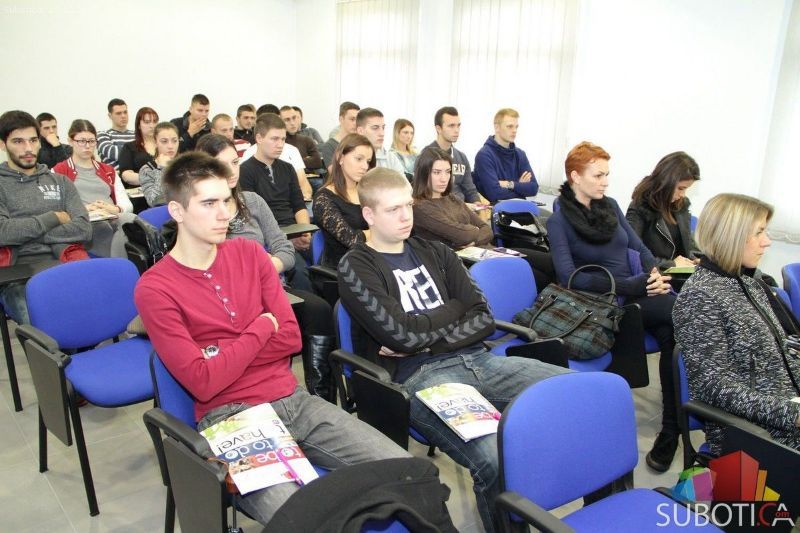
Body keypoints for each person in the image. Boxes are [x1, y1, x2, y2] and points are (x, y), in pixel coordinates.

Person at [134, 151, 409, 527]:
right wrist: (262, 326)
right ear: (177, 211)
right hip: (230, 419)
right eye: (209, 203)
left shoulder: (250, 253)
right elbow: (202, 381)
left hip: (292, 398)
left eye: (227, 200)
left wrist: (220, 352)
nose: (224, 214)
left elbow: (292, 339)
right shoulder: (155, 287)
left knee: (406, 473)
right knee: (303, 520)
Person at [337, 167, 568, 533]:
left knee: (574, 394)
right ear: (369, 214)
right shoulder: (356, 266)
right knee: (494, 458)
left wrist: (427, 333)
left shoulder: (438, 252)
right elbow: (402, 337)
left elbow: (484, 318)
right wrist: (454, 310)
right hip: (422, 378)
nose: (405, 216)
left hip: (479, 360)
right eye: (393, 209)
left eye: (408, 206)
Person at [547, 141, 679, 472]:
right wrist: (631, 285)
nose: (606, 182)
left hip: (635, 292)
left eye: (607, 174)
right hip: (604, 301)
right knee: (678, 314)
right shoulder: (560, 221)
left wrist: (653, 274)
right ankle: (674, 430)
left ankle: (671, 430)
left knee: (672, 332)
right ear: (575, 177)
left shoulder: (612, 206)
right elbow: (569, 277)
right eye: (598, 175)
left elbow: (639, 247)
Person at [195, 134, 338, 401]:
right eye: (222, 165)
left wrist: (264, 267)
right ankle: (261, 392)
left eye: (235, 162)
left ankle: (320, 396)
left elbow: (285, 249)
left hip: (273, 288)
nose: (231, 171)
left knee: (320, 311)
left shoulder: (253, 201)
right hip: (230, 299)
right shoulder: (202, 214)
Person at [674, 194, 800, 453]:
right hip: (753, 433)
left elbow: (781, 353)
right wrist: (792, 414)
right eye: (759, 232)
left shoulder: (749, 283)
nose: (767, 241)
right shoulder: (700, 296)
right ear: (731, 236)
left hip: (783, 409)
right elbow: (713, 388)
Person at [412, 147, 554, 291]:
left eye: (448, 172)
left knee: (551, 263)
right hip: (467, 264)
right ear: (424, 173)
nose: (444, 178)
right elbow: (464, 235)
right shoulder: (421, 207)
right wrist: (472, 232)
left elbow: (487, 230)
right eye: (437, 172)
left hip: (489, 251)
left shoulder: (452, 198)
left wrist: (471, 238)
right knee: (539, 278)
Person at [0, 110, 91, 323]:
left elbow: (83, 228)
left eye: (33, 140)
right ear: (3, 144)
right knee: (43, 324)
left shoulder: (61, 182)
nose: (28, 148)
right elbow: (3, 232)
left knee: (95, 309)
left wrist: (24, 233)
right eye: (18, 141)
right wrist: (53, 218)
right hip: (17, 275)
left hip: (64, 262)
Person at [239, 113, 313, 291]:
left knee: (326, 263)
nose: (280, 144)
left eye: (283, 139)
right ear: (259, 138)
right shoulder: (245, 171)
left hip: (294, 230)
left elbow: (299, 204)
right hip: (270, 235)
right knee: (300, 272)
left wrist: (305, 232)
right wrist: (286, 239)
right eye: (274, 139)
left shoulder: (287, 168)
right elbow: (253, 218)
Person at [52, 120, 135, 257]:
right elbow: (56, 210)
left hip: (112, 217)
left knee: (133, 220)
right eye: (81, 141)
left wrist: (114, 209)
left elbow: (127, 205)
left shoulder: (108, 171)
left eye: (91, 141)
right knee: (102, 228)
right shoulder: (58, 171)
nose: (87, 146)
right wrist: (83, 210)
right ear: (70, 141)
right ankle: (114, 264)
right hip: (84, 221)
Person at [626, 152, 701, 270]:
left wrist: (697, 259)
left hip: (679, 274)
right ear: (666, 182)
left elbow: (686, 248)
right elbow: (633, 254)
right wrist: (671, 264)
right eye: (680, 188)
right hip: (657, 276)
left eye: (685, 189)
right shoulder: (639, 208)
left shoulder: (681, 206)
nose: (682, 195)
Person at [312, 134, 375, 268]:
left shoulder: (370, 193)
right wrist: (380, 232)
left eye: (368, 161)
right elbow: (352, 240)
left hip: (372, 261)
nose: (365, 166)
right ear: (340, 158)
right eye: (359, 159)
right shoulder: (323, 199)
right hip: (342, 268)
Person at [473, 108, 538, 202]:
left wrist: (510, 184)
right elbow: (495, 194)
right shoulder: (484, 156)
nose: (514, 130)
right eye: (510, 126)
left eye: (516, 127)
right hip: (495, 209)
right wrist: (521, 187)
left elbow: (534, 188)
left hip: (519, 207)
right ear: (497, 127)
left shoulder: (520, 154)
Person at [426, 106, 482, 204]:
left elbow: (470, 190)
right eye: (451, 126)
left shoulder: (462, 157)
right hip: (439, 208)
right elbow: (425, 193)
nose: (456, 130)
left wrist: (478, 205)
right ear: (439, 128)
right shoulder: (426, 156)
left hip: (463, 207)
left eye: (458, 125)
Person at [355, 108, 405, 175]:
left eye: (383, 128)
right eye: (375, 128)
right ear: (360, 131)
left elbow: (403, 182)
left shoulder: (391, 158)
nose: (382, 133)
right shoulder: (350, 157)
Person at [139, 122, 179, 207]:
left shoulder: (186, 165)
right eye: (164, 141)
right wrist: (162, 169)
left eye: (174, 141)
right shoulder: (147, 170)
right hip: (164, 211)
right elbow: (154, 201)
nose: (170, 146)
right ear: (155, 142)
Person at [118, 107, 158, 186]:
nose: (152, 126)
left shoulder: (165, 145)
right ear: (139, 125)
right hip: (139, 190)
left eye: (154, 121)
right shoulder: (129, 147)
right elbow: (126, 175)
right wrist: (152, 179)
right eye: (147, 122)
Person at [280, 106, 323, 172]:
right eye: (287, 120)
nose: (292, 123)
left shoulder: (306, 140)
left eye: (294, 118)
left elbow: (317, 162)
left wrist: (292, 160)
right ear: (280, 122)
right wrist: (306, 159)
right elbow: (281, 165)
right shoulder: (278, 142)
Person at [96, 98, 135, 170]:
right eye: (118, 113)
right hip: (114, 175)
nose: (123, 116)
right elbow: (113, 153)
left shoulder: (137, 135)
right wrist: (138, 152)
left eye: (125, 112)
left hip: (140, 175)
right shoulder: (102, 135)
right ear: (110, 116)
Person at [319, 101, 360, 168]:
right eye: (352, 119)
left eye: (357, 120)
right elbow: (334, 172)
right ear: (341, 119)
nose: (355, 123)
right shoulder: (329, 146)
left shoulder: (361, 143)